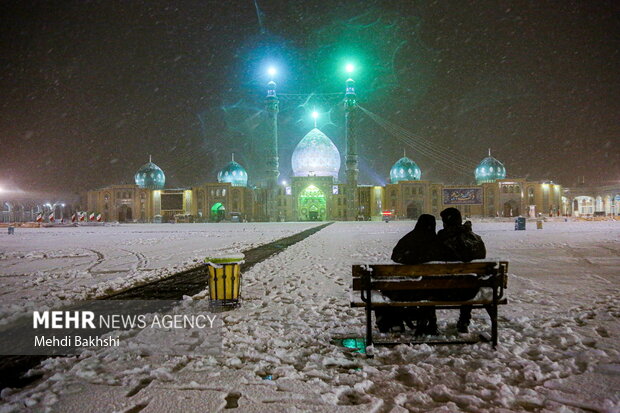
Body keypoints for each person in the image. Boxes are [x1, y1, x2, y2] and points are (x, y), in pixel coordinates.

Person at [380, 214, 442, 335]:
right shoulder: (437, 242)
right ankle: (428, 322)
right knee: (428, 290)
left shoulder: (408, 239)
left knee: (387, 291)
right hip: (435, 291)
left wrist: (413, 259)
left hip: (408, 290)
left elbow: (396, 256)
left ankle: (396, 322)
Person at [436, 207, 487, 333]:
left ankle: (429, 323)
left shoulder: (442, 238)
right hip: (470, 291)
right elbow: (482, 255)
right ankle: (464, 321)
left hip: (441, 289)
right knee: (468, 279)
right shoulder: (474, 239)